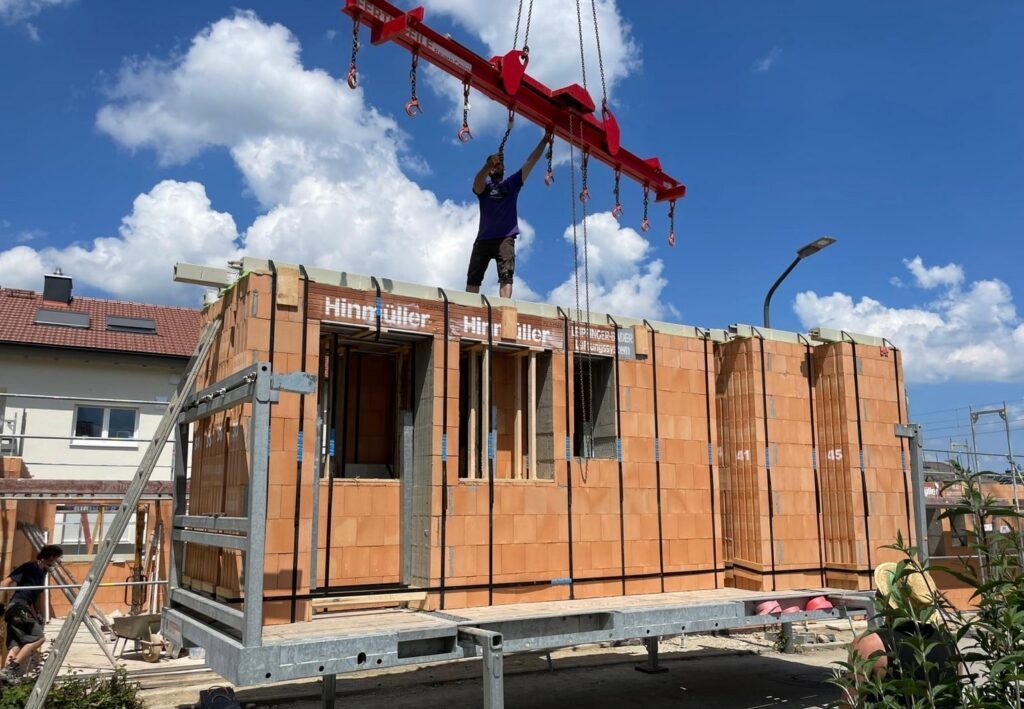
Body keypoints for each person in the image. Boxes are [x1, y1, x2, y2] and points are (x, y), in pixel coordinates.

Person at [841, 561, 962, 707]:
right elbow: (956, 694)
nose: (877, 594)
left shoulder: (869, 644)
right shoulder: (949, 642)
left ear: (885, 599)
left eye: (879, 592)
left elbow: (850, 703)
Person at [466, 130, 552, 299]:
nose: (497, 167)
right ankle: (469, 310)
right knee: (473, 278)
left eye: (499, 165)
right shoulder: (485, 187)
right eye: (494, 166)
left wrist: (545, 140)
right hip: (483, 239)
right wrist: (488, 165)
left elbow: (531, 161)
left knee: (506, 276)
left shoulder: (511, 184)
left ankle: (505, 309)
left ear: (504, 168)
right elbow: (476, 184)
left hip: (505, 238)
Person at [0, 545, 63, 684]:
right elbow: (5, 582)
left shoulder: (42, 572)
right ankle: (11, 669)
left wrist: (39, 614)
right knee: (38, 638)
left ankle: (4, 680)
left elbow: (37, 596)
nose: (57, 562)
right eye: (57, 558)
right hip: (17, 608)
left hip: (22, 609)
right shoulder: (30, 566)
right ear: (51, 556)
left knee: (15, 645)